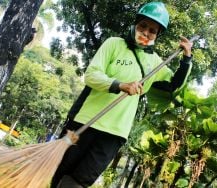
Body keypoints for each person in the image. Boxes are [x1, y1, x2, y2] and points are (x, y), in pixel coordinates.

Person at [51, 2, 193, 188]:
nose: (146, 32)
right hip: (85, 120)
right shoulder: (113, 44)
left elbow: (174, 84)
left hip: (115, 132)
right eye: (143, 25)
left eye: (152, 30)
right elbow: (91, 75)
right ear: (135, 24)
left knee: (81, 180)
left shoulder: (155, 62)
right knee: (61, 169)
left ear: (157, 35)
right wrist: (121, 85)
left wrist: (186, 58)